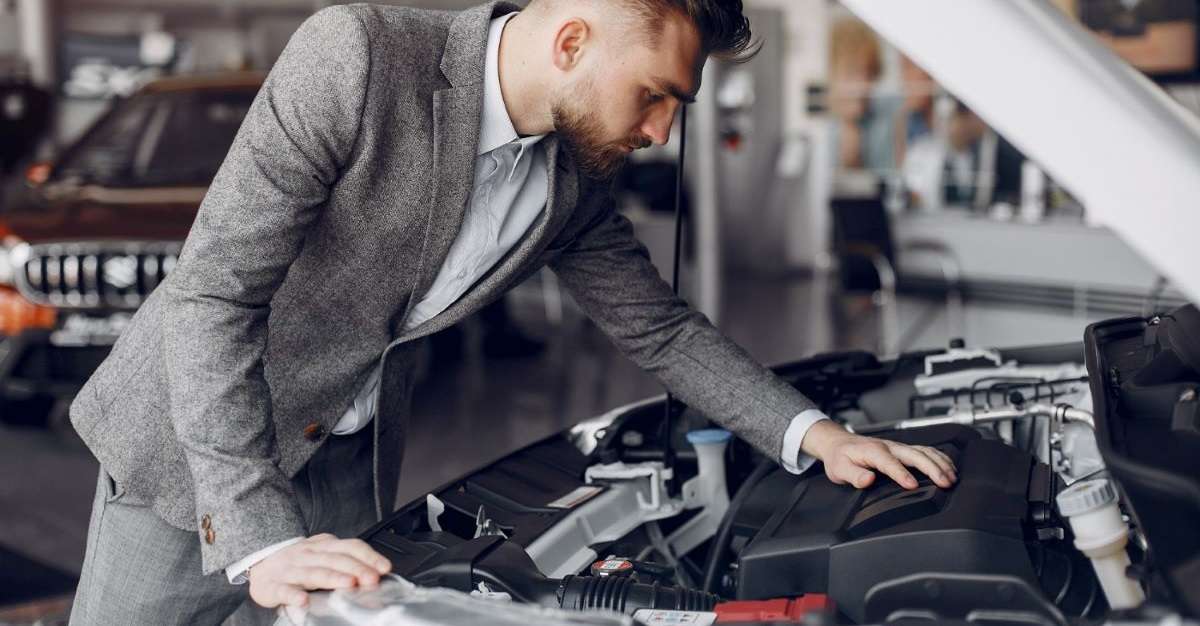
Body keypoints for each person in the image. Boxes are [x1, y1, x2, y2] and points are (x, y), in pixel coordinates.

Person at [67, 1, 958, 624]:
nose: (660, 132)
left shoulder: (574, 181)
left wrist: (818, 437)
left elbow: (661, 329)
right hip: (192, 455)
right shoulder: (358, 56)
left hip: (347, 464)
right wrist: (260, 541)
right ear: (571, 42)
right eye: (655, 94)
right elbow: (214, 294)